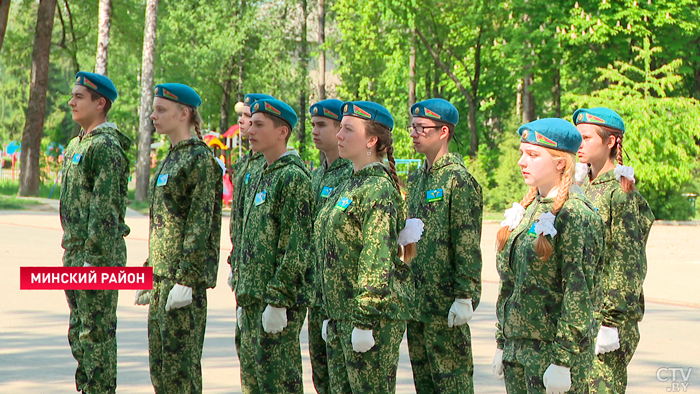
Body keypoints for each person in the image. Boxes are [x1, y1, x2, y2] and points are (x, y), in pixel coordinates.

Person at [492, 118, 605, 394]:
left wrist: (563, 361)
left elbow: (579, 294)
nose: (521, 161)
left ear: (560, 163)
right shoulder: (529, 209)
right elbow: (510, 283)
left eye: (532, 155)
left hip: (552, 357)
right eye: (522, 153)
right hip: (518, 353)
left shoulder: (575, 214)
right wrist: (502, 342)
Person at [315, 101, 419, 394]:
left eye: (348, 130)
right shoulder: (348, 183)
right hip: (342, 315)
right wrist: (330, 312)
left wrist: (364, 320)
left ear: (372, 140)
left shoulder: (378, 188)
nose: (339, 136)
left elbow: (376, 259)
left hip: (371, 320)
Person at [134, 83, 223, 394]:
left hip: (182, 283)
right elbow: (163, 224)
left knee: (180, 375)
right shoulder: (171, 158)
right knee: (160, 372)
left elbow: (200, 224)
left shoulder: (199, 159)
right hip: (161, 280)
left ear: (184, 113)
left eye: (161, 110)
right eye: (154, 109)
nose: (153, 115)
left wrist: (187, 278)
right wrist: (149, 271)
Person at [235, 98, 314, 393]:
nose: (250, 129)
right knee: (254, 383)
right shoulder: (259, 174)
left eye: (259, 124)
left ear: (282, 132)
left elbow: (296, 246)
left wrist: (279, 300)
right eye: (250, 123)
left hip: (277, 303)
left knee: (278, 383)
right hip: (254, 298)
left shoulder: (292, 177)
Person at [573, 108, 654, 393]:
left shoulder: (620, 193)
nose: (578, 144)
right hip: (580, 316)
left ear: (610, 142)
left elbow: (628, 263)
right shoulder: (580, 188)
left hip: (606, 320)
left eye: (585, 137)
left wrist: (612, 322)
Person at [405, 98, 483, 394]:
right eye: (412, 127)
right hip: (418, 306)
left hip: (446, 307)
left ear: (444, 132)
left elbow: (466, 242)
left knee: (453, 387)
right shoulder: (418, 179)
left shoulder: (458, 180)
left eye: (422, 128)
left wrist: (466, 295)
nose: (414, 133)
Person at [61, 71, 131, 394]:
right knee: (79, 334)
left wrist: (95, 261)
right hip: (75, 254)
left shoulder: (105, 147)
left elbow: (104, 211)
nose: (71, 101)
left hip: (97, 259)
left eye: (79, 97)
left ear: (100, 103)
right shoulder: (78, 143)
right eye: (73, 95)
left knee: (96, 336)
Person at [308, 98, 353, 394]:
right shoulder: (316, 175)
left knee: (344, 383)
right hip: (316, 294)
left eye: (322, 125)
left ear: (340, 128)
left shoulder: (351, 174)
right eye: (312, 125)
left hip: (342, 298)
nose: (315, 131)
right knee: (321, 379)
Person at [227, 93, 275, 365]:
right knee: (246, 356)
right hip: (247, 275)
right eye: (243, 118)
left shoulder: (268, 166)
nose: (245, 123)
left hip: (265, 285)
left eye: (250, 118)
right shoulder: (246, 162)